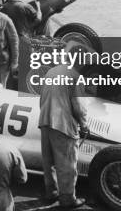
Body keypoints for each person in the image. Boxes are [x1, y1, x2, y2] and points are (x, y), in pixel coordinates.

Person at [38, 58, 88, 209]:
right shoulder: (75, 76)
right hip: (63, 124)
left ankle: (51, 192)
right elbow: (79, 106)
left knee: (49, 162)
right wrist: (84, 125)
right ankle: (67, 200)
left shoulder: (50, 72)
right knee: (67, 164)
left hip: (45, 119)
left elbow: (41, 98)